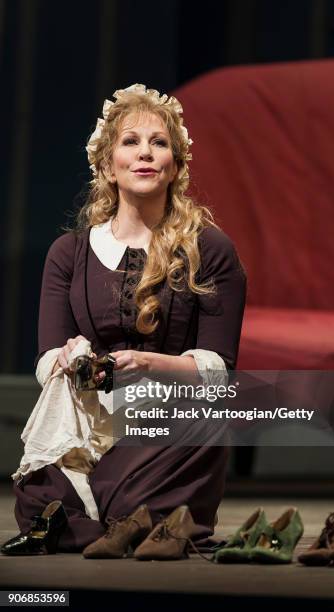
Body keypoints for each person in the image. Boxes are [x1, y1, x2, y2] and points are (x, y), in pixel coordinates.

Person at [7, 84, 247, 553]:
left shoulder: (209, 249)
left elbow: (218, 368)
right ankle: (113, 512)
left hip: (168, 416)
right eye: (131, 142)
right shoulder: (69, 253)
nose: (145, 154)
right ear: (106, 164)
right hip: (94, 414)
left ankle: (101, 513)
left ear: (175, 165)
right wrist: (69, 359)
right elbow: (45, 359)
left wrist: (149, 364)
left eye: (159, 144)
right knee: (48, 463)